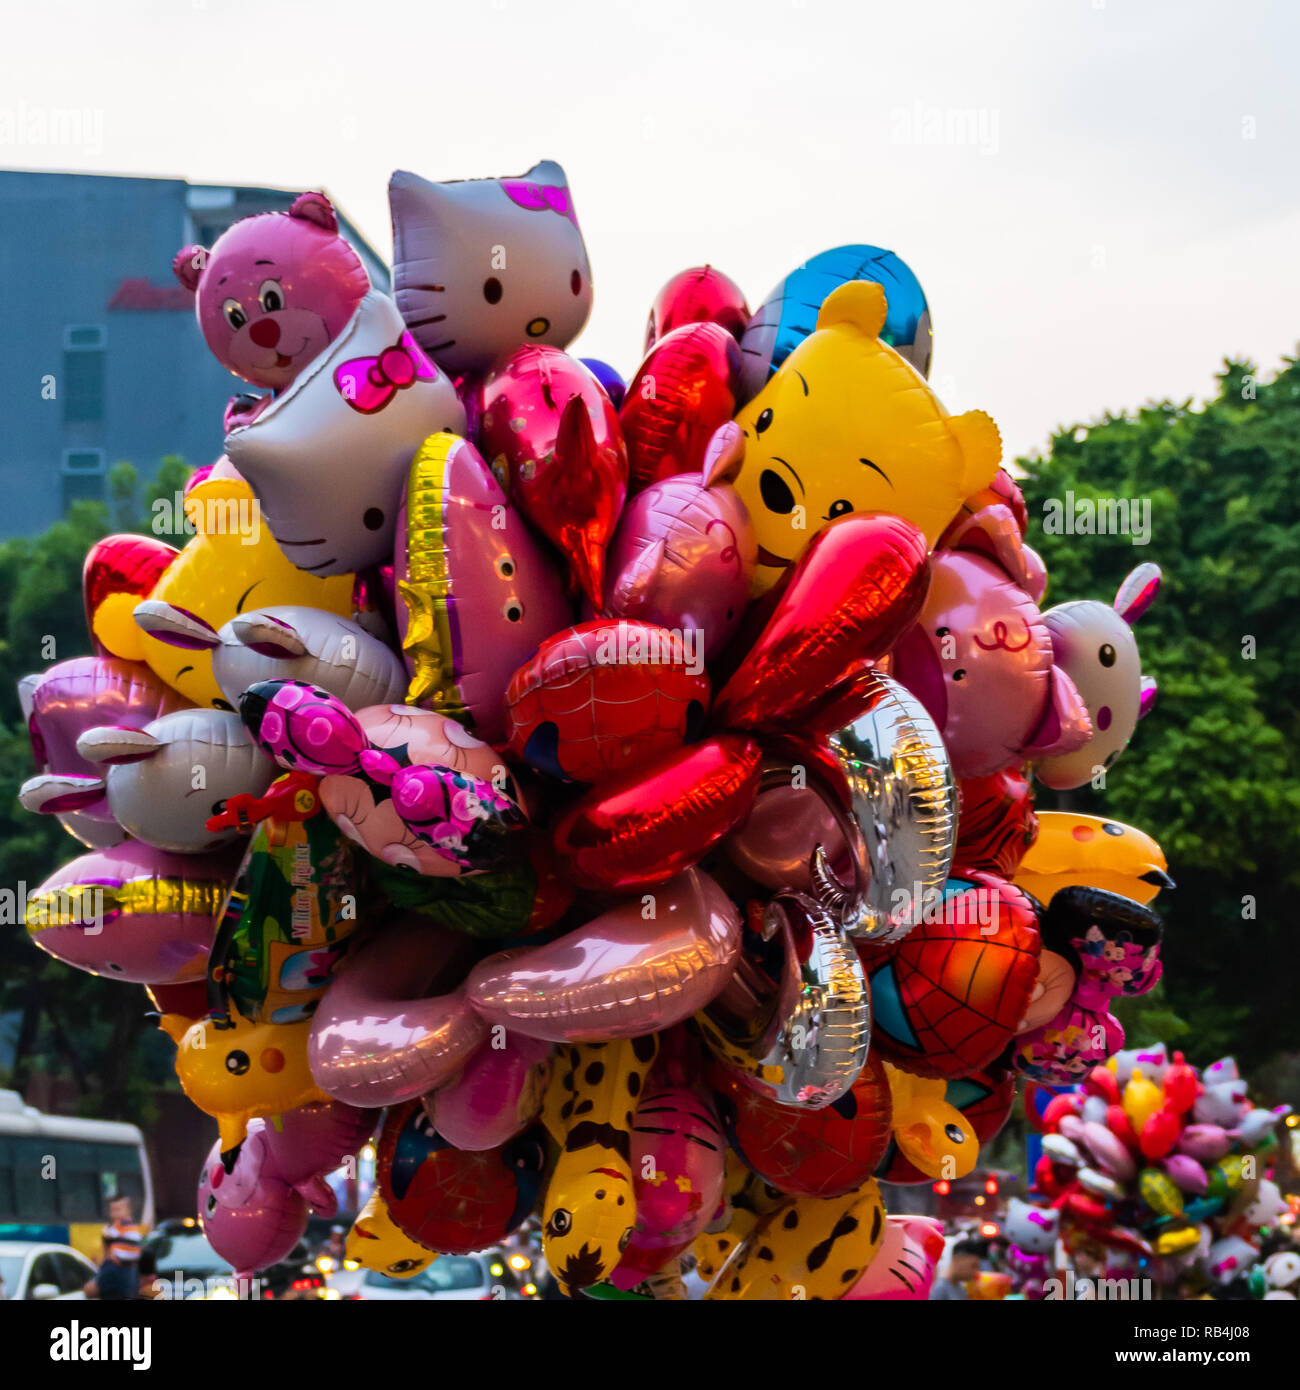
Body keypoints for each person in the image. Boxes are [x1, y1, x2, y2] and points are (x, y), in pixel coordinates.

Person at [85, 1194, 143, 1300]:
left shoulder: (112, 1268)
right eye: (112, 1210)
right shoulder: (132, 1268)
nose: (114, 1215)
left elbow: (90, 1291)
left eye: (118, 1210)